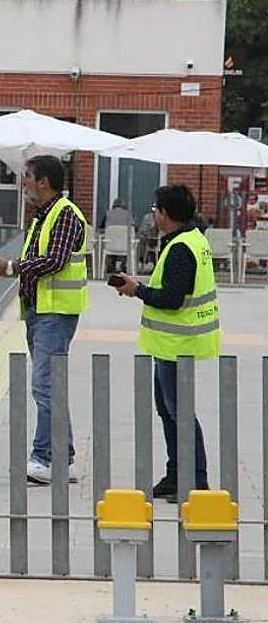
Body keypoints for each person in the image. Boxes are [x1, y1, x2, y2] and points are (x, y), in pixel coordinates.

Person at [0, 155, 88, 485]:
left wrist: (9, 268)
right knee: (49, 386)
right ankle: (63, 459)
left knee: (45, 386)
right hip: (42, 311)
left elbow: (53, 262)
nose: (23, 182)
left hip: (55, 313)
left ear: (43, 182)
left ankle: (44, 458)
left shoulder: (65, 215)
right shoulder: (44, 215)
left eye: (27, 176)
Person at [113, 184, 217, 503]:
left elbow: (171, 299)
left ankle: (195, 480)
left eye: (155, 209)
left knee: (180, 412)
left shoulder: (181, 247)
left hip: (177, 343)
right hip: (171, 343)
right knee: (168, 411)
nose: (154, 213)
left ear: (166, 214)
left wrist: (137, 290)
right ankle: (176, 476)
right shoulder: (189, 240)